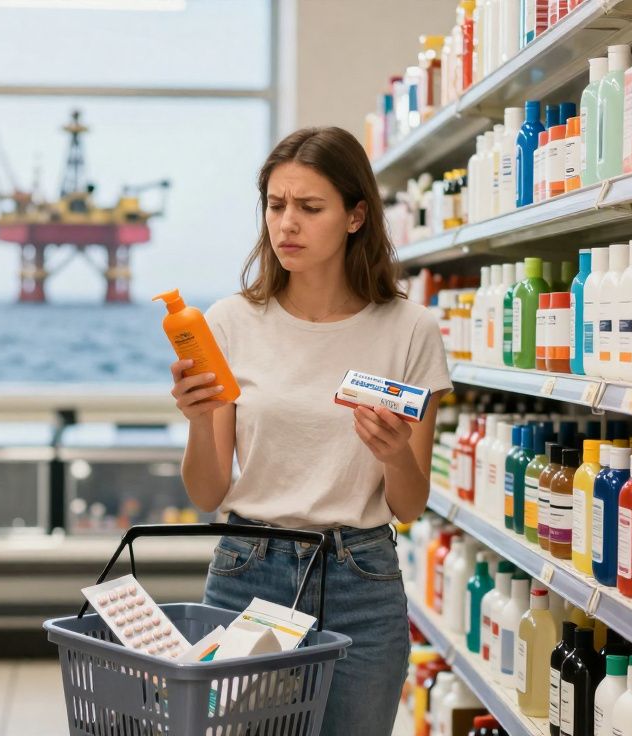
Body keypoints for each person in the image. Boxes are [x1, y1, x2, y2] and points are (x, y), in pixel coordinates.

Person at [169, 126, 452, 734]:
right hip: (252, 567)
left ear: (355, 216)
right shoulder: (229, 322)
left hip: (362, 579)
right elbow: (206, 492)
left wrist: (398, 455)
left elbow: (409, 503)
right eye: (276, 206)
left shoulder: (410, 329)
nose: (286, 224)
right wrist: (198, 423)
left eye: (309, 207)